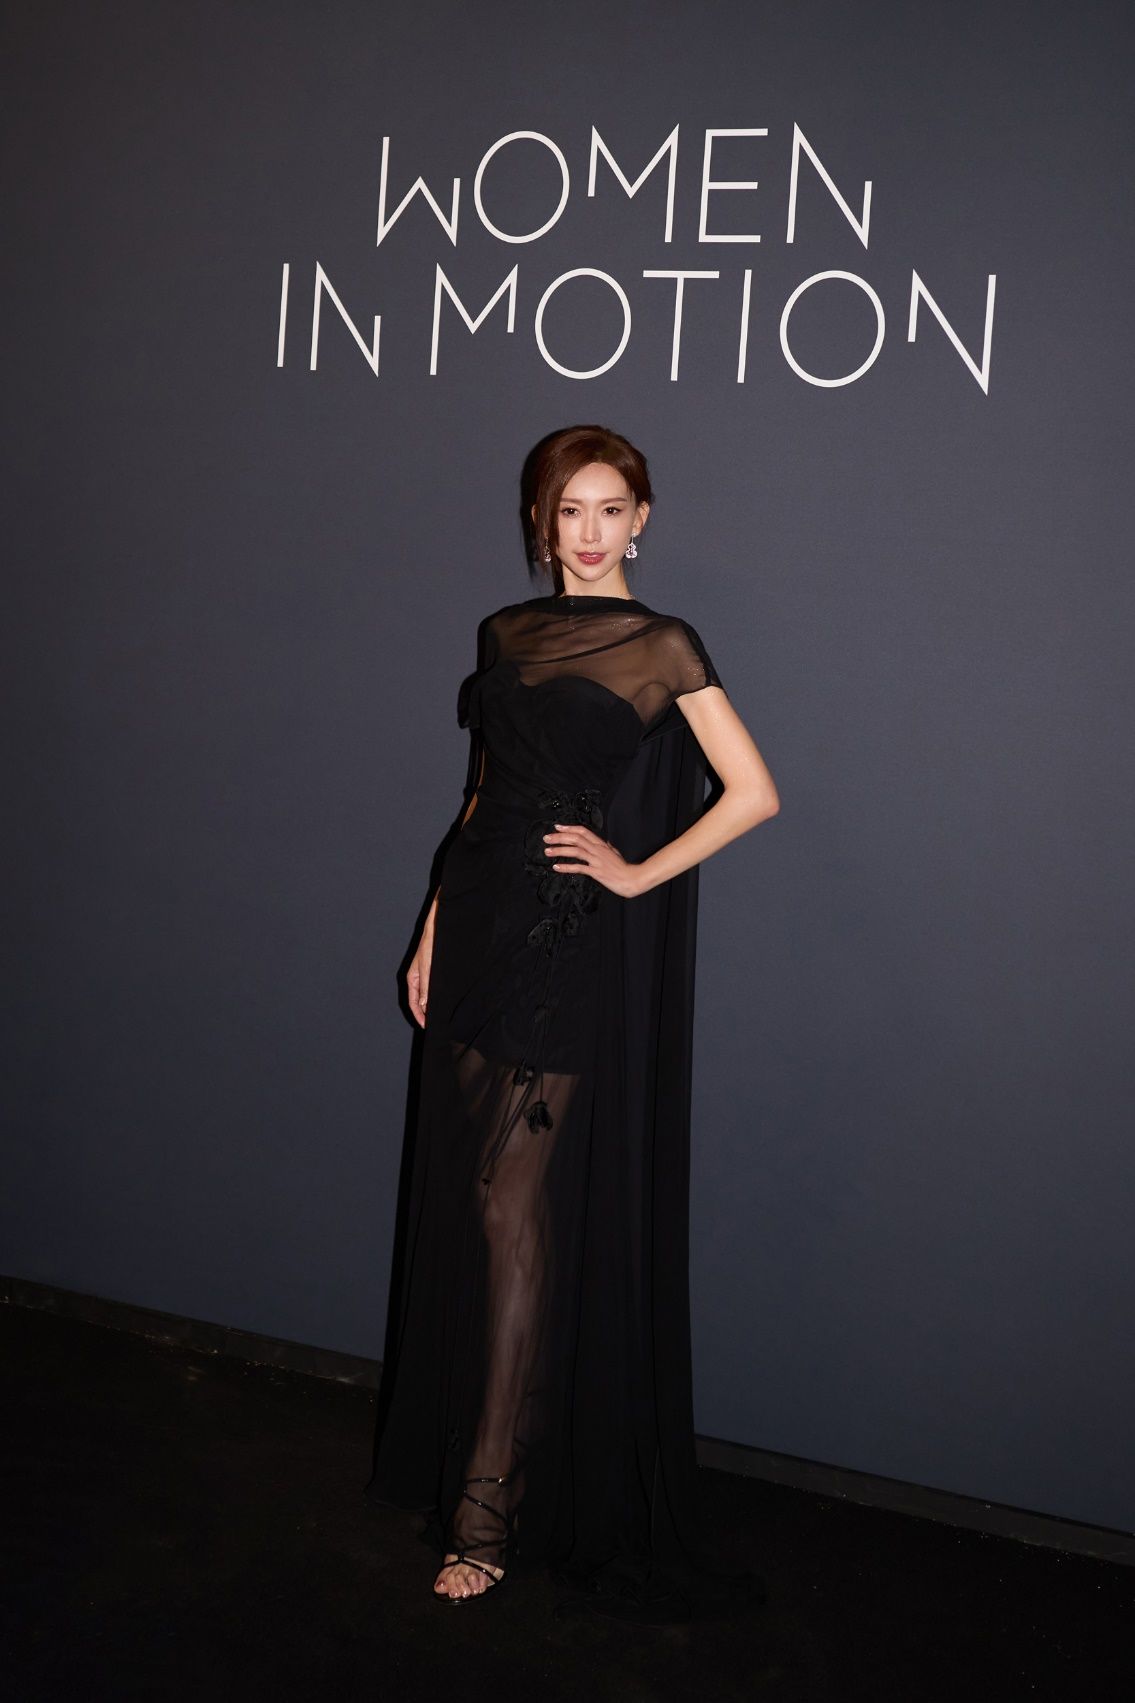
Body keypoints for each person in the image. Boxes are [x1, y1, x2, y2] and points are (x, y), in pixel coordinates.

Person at [366, 424, 780, 1619]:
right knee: (479, 1207)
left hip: (564, 944)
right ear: (540, 521)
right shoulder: (503, 631)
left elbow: (753, 792)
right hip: (479, 922)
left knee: (511, 1211)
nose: (587, 533)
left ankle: (487, 1510)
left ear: (641, 518)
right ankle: (487, 1464)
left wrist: (637, 872)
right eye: (567, 510)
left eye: (609, 509)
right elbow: (480, 796)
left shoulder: (662, 644)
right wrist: (432, 925)